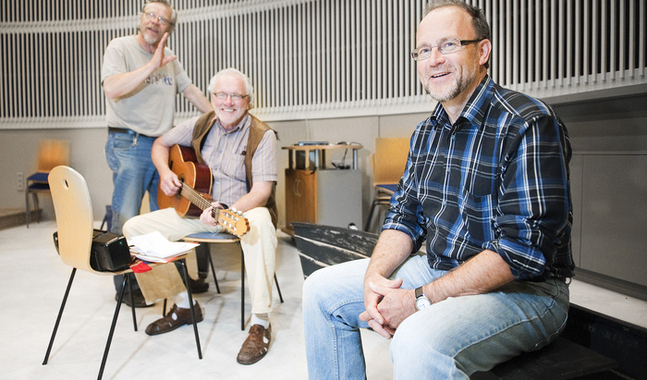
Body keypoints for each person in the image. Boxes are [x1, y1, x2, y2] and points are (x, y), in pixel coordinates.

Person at [302, 1, 575, 378]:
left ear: (482, 51)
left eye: (448, 45)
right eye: (423, 50)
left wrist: (418, 301)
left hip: (527, 293)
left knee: (416, 339)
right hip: (440, 269)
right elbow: (403, 216)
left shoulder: (527, 122)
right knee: (321, 291)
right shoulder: (427, 132)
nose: (434, 60)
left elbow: (521, 252)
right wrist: (374, 279)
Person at [122, 67, 279, 365]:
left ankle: (260, 321)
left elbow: (261, 191)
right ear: (212, 97)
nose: (228, 102)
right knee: (134, 228)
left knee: (260, 224)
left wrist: (227, 212)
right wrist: (166, 172)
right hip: (197, 211)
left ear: (248, 101)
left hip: (239, 211)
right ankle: (184, 305)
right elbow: (160, 144)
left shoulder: (263, 135)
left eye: (236, 96)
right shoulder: (200, 124)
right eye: (221, 94)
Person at [101, 0, 213, 307]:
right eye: (151, 15)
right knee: (125, 216)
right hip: (129, 144)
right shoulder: (120, 48)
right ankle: (126, 284)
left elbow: (191, 92)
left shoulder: (171, 61)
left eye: (163, 19)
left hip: (163, 147)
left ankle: (172, 281)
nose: (155, 22)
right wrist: (151, 64)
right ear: (141, 18)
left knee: (168, 217)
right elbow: (111, 88)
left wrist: (219, 116)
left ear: (169, 28)